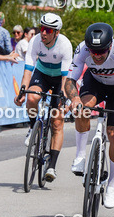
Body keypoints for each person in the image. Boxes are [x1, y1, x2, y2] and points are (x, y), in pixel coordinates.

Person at [65, 23, 114, 209]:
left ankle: (113, 183)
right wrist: (74, 98)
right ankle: (81, 156)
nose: (96, 56)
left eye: (101, 52)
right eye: (93, 52)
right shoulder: (82, 49)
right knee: (82, 108)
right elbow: (70, 80)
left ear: (110, 46)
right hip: (96, 82)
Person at [15, 13, 72, 183]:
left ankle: (52, 166)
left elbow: (65, 78)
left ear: (57, 32)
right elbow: (28, 70)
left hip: (60, 80)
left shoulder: (65, 45)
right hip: (42, 74)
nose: (44, 33)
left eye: (48, 30)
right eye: (42, 29)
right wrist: (22, 92)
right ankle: (33, 128)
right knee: (32, 98)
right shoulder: (35, 41)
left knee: (57, 121)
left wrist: (62, 97)